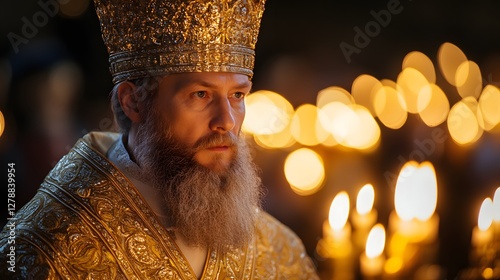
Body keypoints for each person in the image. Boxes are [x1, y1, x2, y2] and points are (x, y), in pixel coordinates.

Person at [0, 0, 319, 278]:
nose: (227, 121)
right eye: (200, 94)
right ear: (134, 102)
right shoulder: (44, 252)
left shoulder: (279, 251)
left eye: (237, 95)